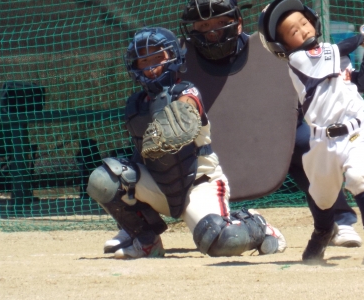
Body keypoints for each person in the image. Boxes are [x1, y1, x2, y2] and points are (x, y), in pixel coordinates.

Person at [180, 0, 362, 248]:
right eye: (203, 25)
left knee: (307, 142)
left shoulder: (270, 49)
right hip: (210, 145)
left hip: (268, 132)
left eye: (219, 22)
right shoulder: (181, 60)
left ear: (238, 23)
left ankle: (339, 220)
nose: (212, 31)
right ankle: (141, 234)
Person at [86, 27, 286, 259]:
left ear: (173, 57)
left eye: (157, 57)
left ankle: (257, 225)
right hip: (160, 187)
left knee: (223, 241)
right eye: (144, 60)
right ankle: (144, 239)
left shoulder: (186, 90)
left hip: (198, 185)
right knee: (104, 179)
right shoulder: (136, 105)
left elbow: (189, 102)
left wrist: (179, 115)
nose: (150, 66)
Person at [257, 0, 364, 265]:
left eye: (304, 23)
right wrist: (361, 37)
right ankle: (323, 232)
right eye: (293, 31)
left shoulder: (334, 56)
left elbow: (361, 84)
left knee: (359, 176)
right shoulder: (299, 60)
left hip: (355, 132)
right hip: (322, 140)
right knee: (323, 197)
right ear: (283, 46)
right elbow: (342, 47)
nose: (303, 30)